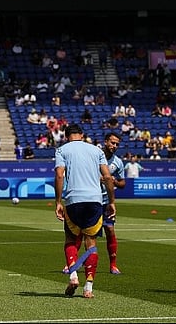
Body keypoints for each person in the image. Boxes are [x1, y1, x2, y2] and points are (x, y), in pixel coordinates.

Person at [54, 123, 115, 299]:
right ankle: (88, 287)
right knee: (91, 243)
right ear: (82, 134)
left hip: (73, 200)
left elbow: (59, 175)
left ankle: (73, 276)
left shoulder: (62, 150)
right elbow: (108, 177)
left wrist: (58, 201)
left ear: (66, 136)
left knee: (71, 239)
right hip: (95, 200)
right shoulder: (97, 151)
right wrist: (111, 201)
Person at [98, 132, 127, 274]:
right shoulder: (95, 156)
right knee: (86, 233)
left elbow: (122, 183)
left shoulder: (118, 162)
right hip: (93, 200)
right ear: (105, 142)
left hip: (107, 202)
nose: (114, 146)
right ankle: (73, 263)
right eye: (112, 142)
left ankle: (113, 265)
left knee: (110, 230)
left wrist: (112, 180)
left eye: (117, 144)